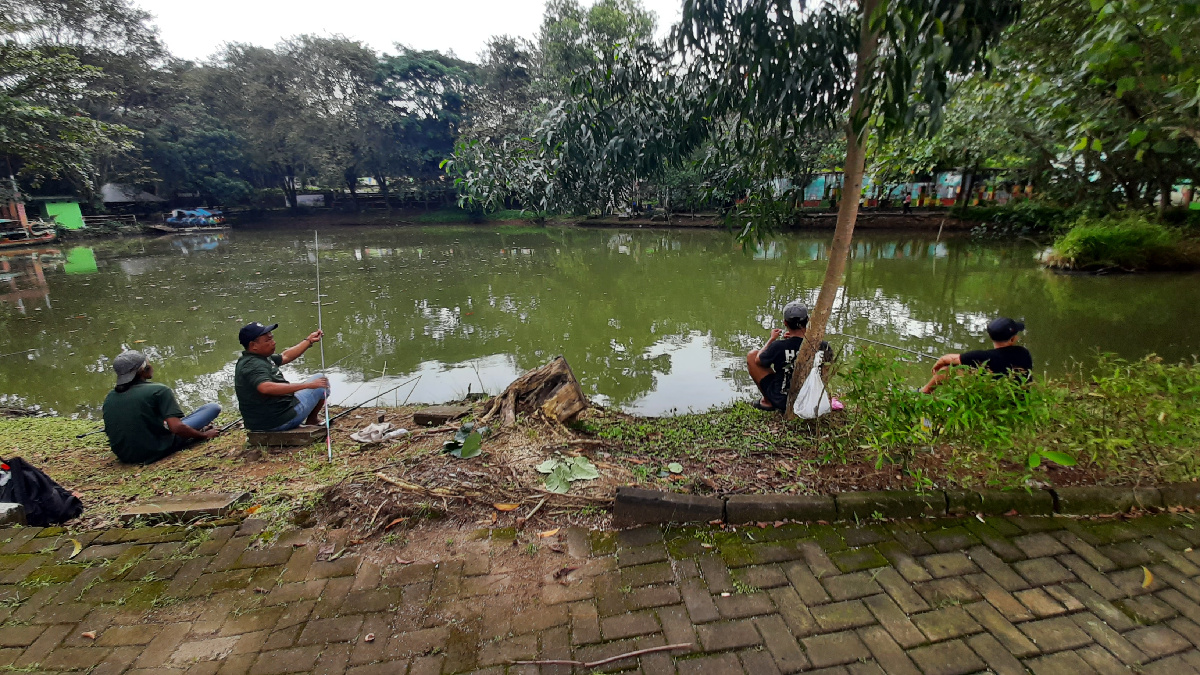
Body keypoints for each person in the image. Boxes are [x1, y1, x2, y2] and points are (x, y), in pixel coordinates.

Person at [102, 350, 222, 464]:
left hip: (125, 455)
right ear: (144, 370)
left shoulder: (110, 396)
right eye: (149, 363)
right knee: (212, 408)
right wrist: (203, 435)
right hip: (156, 449)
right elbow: (176, 428)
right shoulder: (159, 390)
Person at [234, 322, 330, 432]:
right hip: (278, 421)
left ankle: (310, 419)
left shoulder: (259, 357)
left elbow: (285, 356)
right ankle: (312, 420)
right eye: (268, 340)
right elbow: (265, 387)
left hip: (269, 419)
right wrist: (307, 385)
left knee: (316, 382)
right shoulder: (253, 364)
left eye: (272, 338)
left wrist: (308, 341)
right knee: (321, 382)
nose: (273, 342)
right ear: (253, 345)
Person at [746, 301, 833, 412]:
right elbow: (825, 370)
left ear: (785, 323)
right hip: (810, 399)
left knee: (752, 355)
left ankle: (767, 402)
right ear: (808, 320)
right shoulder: (823, 346)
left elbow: (758, 360)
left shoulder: (778, 346)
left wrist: (772, 339)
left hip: (782, 400)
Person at [920, 317, 1032, 394]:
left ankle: (923, 393)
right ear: (1012, 339)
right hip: (1017, 401)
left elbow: (945, 359)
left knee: (947, 370)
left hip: (993, 400)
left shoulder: (981, 356)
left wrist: (936, 367)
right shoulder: (1024, 353)